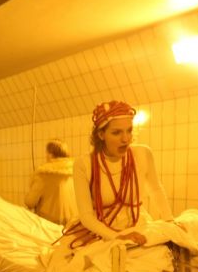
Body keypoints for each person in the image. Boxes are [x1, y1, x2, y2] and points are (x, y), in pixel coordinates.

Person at [68, 100, 173, 247]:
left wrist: (169, 221)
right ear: (101, 134)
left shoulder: (143, 154)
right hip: (100, 232)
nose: (126, 139)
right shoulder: (84, 164)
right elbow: (86, 216)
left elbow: (155, 189)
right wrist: (117, 237)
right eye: (116, 132)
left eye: (129, 130)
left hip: (137, 225)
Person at [24, 140, 77, 226]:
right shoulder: (75, 171)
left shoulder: (44, 174)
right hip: (72, 222)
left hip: (49, 223)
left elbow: (30, 202)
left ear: (50, 155)